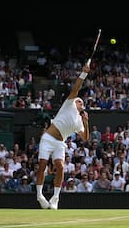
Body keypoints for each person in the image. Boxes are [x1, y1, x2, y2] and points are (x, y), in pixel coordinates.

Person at [35, 63, 90, 210]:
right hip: (48, 138)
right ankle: (40, 196)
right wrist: (83, 74)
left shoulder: (79, 121)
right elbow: (76, 88)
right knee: (42, 166)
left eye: (81, 102)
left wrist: (86, 122)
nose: (79, 101)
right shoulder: (69, 103)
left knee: (60, 167)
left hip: (60, 143)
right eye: (78, 100)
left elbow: (85, 138)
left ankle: (55, 198)